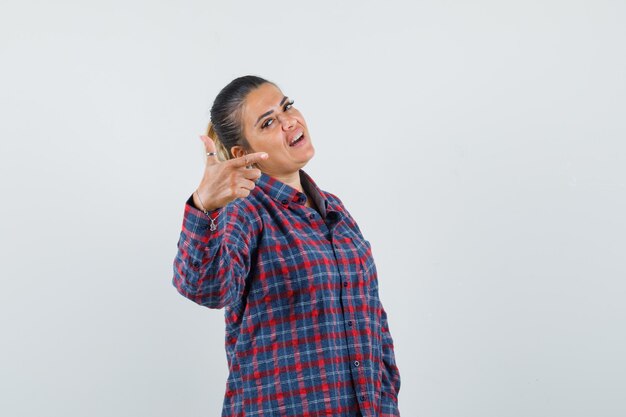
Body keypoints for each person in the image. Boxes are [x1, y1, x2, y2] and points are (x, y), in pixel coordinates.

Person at [172, 75, 401, 417]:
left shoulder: (335, 210)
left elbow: (372, 319)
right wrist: (204, 204)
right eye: (268, 122)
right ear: (242, 153)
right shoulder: (244, 210)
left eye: (287, 106)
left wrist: (387, 401)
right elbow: (207, 288)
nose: (289, 121)